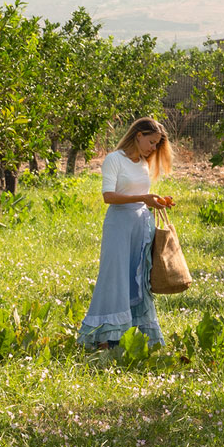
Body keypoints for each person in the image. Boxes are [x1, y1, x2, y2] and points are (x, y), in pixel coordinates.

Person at [77, 117, 175, 351]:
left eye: (156, 144)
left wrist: (156, 200)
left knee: (138, 280)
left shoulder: (142, 162)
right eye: (151, 142)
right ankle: (104, 338)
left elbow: (140, 193)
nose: (153, 148)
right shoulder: (114, 160)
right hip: (119, 225)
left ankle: (133, 337)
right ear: (138, 135)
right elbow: (108, 196)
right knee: (114, 278)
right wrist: (143, 198)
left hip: (142, 225)